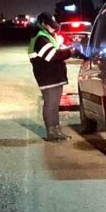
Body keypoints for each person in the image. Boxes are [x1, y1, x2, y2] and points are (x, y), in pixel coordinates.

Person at [29, 12, 75, 142]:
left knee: (54, 105)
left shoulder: (47, 37)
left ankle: (56, 131)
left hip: (54, 77)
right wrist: (69, 52)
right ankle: (51, 132)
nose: (54, 29)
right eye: (51, 26)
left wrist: (67, 50)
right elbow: (52, 56)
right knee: (50, 104)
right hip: (47, 78)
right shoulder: (40, 38)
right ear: (43, 24)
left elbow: (57, 52)